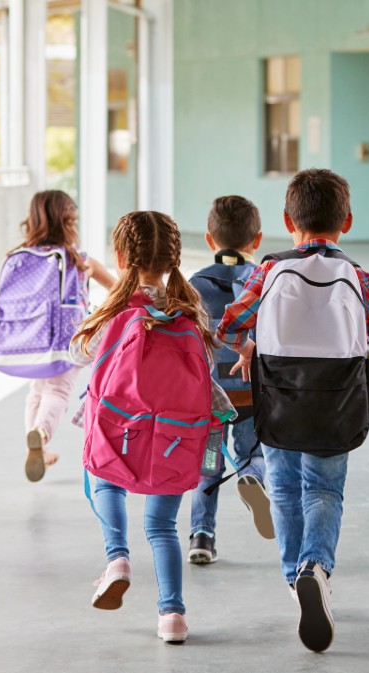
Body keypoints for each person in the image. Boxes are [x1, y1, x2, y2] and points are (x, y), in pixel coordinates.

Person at [220, 169, 369, 652]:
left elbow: (230, 326)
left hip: (279, 399)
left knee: (284, 488)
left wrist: (253, 346)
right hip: (337, 404)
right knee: (323, 490)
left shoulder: (270, 269)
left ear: (286, 220)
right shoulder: (358, 275)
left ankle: (296, 575)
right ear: (348, 222)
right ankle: (316, 566)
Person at [70, 211, 231, 644]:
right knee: (162, 528)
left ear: (121, 257)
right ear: (174, 259)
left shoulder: (115, 314)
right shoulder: (190, 314)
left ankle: (117, 558)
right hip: (175, 438)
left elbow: (93, 373)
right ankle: (173, 617)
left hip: (121, 432)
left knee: (101, 480)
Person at [0, 190, 115, 481]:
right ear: (68, 221)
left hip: (30, 338)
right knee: (58, 391)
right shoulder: (79, 260)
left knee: (38, 391)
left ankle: (39, 442)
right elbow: (118, 291)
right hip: (66, 341)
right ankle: (41, 434)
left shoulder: (19, 258)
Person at [186, 195, 273, 565]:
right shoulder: (266, 279)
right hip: (251, 392)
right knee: (254, 452)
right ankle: (251, 474)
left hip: (211, 400)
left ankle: (201, 538)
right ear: (258, 239)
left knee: (208, 467)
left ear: (209, 240)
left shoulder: (194, 285)